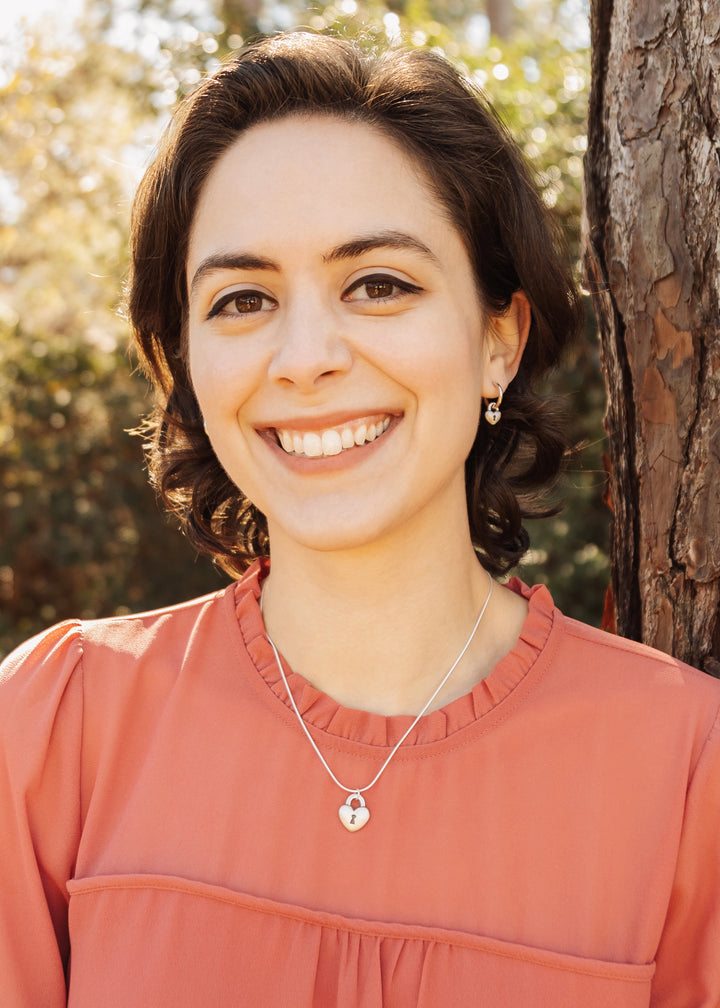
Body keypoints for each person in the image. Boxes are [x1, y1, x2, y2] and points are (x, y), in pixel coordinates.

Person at [1, 30, 719, 1008]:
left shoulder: (685, 776)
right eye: (243, 298)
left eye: (379, 284)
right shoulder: (55, 731)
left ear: (498, 341)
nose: (305, 356)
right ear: (184, 365)